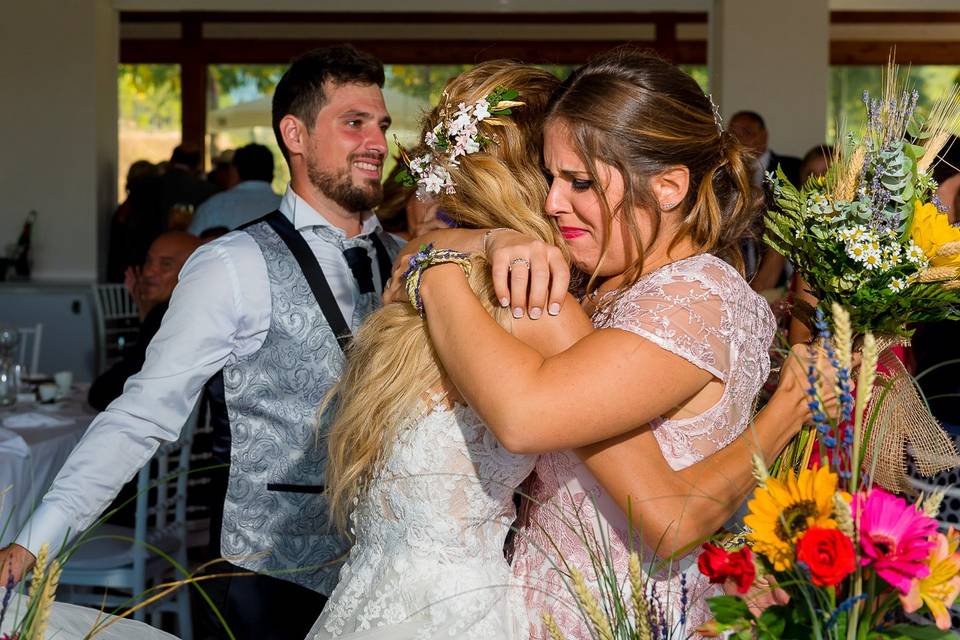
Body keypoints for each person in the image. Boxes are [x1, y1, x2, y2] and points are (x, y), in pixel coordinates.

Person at [313, 52, 826, 639]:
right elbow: (413, 255)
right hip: (536, 600)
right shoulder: (603, 280)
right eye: (550, 179)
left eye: (579, 182)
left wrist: (437, 268)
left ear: (667, 187)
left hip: (623, 612)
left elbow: (528, 418)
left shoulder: (697, 299)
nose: (554, 204)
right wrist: (479, 240)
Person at [0, 45, 399, 640]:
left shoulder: (406, 258)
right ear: (295, 133)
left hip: (389, 573)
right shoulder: (231, 264)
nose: (377, 141)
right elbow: (140, 415)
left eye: (382, 125)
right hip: (272, 577)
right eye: (354, 123)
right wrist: (35, 541)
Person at [88, 231, 202, 411]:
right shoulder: (189, 313)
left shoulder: (170, 319)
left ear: (193, 273)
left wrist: (149, 316)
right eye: (148, 261)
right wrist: (146, 313)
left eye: (165, 265)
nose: (148, 272)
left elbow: (106, 393)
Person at [729, 111, 801, 289]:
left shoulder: (794, 169)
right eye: (732, 135)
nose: (739, 140)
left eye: (746, 133)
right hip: (734, 269)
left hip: (781, 277)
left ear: (764, 136)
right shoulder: (722, 173)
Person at [189, 143, 282, 235]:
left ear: (234, 171)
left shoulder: (213, 207)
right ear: (273, 175)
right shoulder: (289, 207)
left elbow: (191, 245)